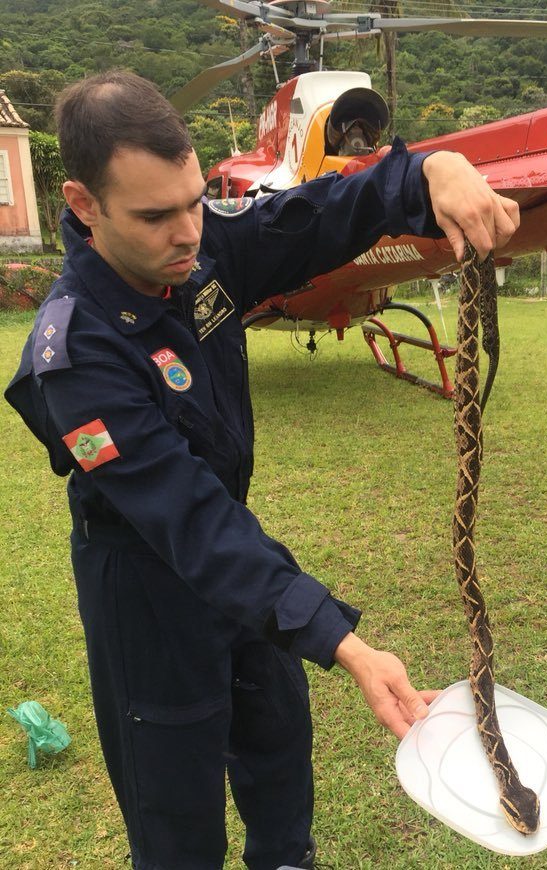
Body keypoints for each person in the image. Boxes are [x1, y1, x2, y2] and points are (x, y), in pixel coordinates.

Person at [5, 71, 519, 870]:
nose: (188, 233)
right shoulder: (76, 357)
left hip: (242, 565)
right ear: (83, 204)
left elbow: (315, 215)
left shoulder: (202, 251)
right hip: (149, 593)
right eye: (155, 216)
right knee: (176, 816)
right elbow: (189, 521)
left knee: (278, 747)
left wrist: (429, 171)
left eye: (192, 202)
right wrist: (344, 643)